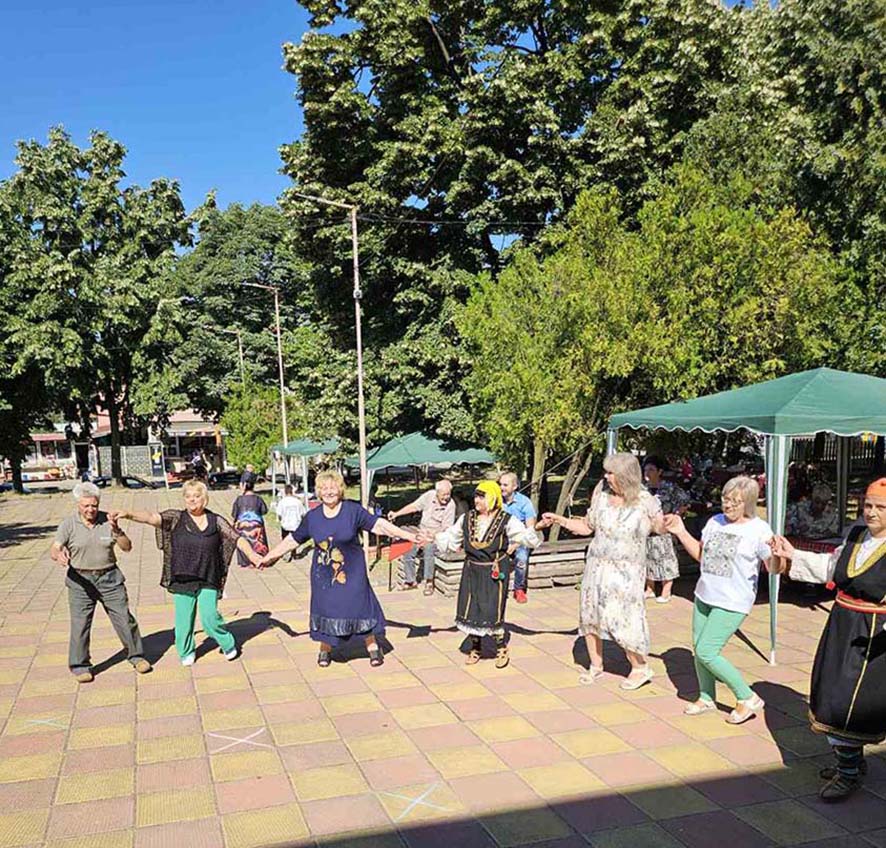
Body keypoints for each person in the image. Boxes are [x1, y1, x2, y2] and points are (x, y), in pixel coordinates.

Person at [770, 478, 886, 802]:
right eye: (868, 505)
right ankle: (851, 763)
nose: (872, 512)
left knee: (849, 704)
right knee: (831, 691)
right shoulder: (856, 535)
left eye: (880, 507)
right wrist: (792, 554)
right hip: (842, 624)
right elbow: (830, 567)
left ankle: (848, 773)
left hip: (874, 635)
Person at [261, 470, 419, 667]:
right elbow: (293, 539)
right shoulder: (312, 517)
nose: (329, 492)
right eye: (324, 488)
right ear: (318, 492)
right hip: (324, 576)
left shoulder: (353, 511)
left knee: (359, 606)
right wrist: (270, 556)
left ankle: (372, 646)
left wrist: (409, 536)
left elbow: (379, 525)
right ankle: (325, 648)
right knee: (327, 609)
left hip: (353, 573)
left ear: (341, 489)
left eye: (333, 487)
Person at [538, 453, 665, 690]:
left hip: (627, 571)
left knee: (623, 617)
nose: (606, 477)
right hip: (596, 567)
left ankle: (640, 667)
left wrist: (669, 524)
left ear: (625, 476)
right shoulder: (602, 497)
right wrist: (558, 520)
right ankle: (596, 665)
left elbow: (660, 528)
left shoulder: (645, 501)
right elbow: (587, 527)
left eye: (610, 473)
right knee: (591, 614)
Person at [111, 480, 264, 666]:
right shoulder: (176, 518)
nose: (192, 500)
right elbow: (151, 517)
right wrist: (128, 514)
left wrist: (253, 556)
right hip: (183, 577)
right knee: (184, 622)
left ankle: (227, 642)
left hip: (208, 576)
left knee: (209, 618)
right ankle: (186, 651)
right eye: (188, 496)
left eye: (197, 496)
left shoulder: (216, 520)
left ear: (204, 499)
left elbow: (236, 538)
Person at [664, 475, 773, 724]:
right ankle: (706, 697)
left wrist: (778, 556)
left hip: (733, 601)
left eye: (735, 501)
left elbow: (774, 567)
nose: (728, 504)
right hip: (705, 594)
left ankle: (747, 697)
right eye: (725, 498)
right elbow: (702, 556)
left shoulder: (759, 530)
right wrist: (680, 531)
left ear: (748, 503)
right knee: (698, 648)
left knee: (707, 650)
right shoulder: (714, 522)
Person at [424, 481, 540, 668]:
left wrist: (537, 528)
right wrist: (434, 537)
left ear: (492, 498)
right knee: (472, 607)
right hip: (472, 570)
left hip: (495, 570)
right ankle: (475, 647)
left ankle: (501, 648)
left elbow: (525, 537)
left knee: (493, 608)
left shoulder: (506, 519)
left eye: (481, 497)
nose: (477, 500)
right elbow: (452, 538)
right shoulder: (467, 518)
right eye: (476, 496)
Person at [50, 483, 152, 683]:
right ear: (78, 504)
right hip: (80, 581)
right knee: (80, 624)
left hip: (109, 578)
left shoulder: (108, 520)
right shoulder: (68, 524)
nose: (90, 510)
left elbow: (127, 547)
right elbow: (55, 548)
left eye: (94, 505)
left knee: (124, 619)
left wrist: (117, 531)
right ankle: (80, 666)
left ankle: (136, 657)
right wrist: (58, 555)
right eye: (86, 506)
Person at [387, 480, 456, 595]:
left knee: (429, 548)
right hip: (422, 531)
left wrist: (431, 535)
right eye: (444, 494)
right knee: (409, 546)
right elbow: (414, 506)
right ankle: (410, 581)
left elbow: (446, 528)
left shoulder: (451, 505)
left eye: (448, 494)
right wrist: (396, 513)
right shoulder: (429, 496)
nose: (446, 497)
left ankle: (429, 582)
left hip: (437, 536)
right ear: (437, 492)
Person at [643, 456, 690, 604]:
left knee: (666, 559)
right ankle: (650, 589)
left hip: (664, 529)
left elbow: (685, 501)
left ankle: (666, 591)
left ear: (659, 471)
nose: (647, 472)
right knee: (647, 559)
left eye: (651, 469)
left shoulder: (669, 487)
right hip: (646, 529)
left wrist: (675, 516)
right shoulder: (642, 489)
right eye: (646, 469)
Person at [499, 471, 537, 604]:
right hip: (501, 538)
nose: (501, 488)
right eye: (500, 484)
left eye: (505, 485)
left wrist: (515, 544)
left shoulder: (524, 502)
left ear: (514, 486)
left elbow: (530, 530)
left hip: (520, 539)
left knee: (521, 557)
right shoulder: (497, 501)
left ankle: (519, 589)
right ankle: (499, 588)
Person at [232, 478, 269, 567]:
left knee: (244, 542)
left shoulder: (239, 499)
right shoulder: (258, 499)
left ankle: (245, 561)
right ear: (253, 487)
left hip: (242, 525)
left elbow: (234, 513)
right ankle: (259, 559)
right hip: (257, 524)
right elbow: (264, 511)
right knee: (258, 541)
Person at [275, 484, 307, 550]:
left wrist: (281, 521)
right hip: (295, 524)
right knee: (294, 541)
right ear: (292, 491)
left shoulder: (282, 502)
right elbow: (303, 514)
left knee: (285, 540)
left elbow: (279, 514)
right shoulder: (298, 502)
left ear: (285, 492)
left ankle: (285, 551)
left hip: (285, 525)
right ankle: (293, 552)